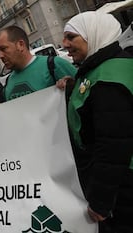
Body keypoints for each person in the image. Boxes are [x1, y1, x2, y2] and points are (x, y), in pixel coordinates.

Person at [62, 11, 133, 232]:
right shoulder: (99, 70)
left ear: (93, 35)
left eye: (71, 37)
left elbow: (113, 145)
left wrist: (101, 201)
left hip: (123, 188)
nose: (64, 44)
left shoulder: (109, 78)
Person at [0, 25, 77, 101]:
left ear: (20, 45)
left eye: (3, 49)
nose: (0, 56)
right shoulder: (9, 81)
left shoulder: (54, 65)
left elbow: (84, 91)